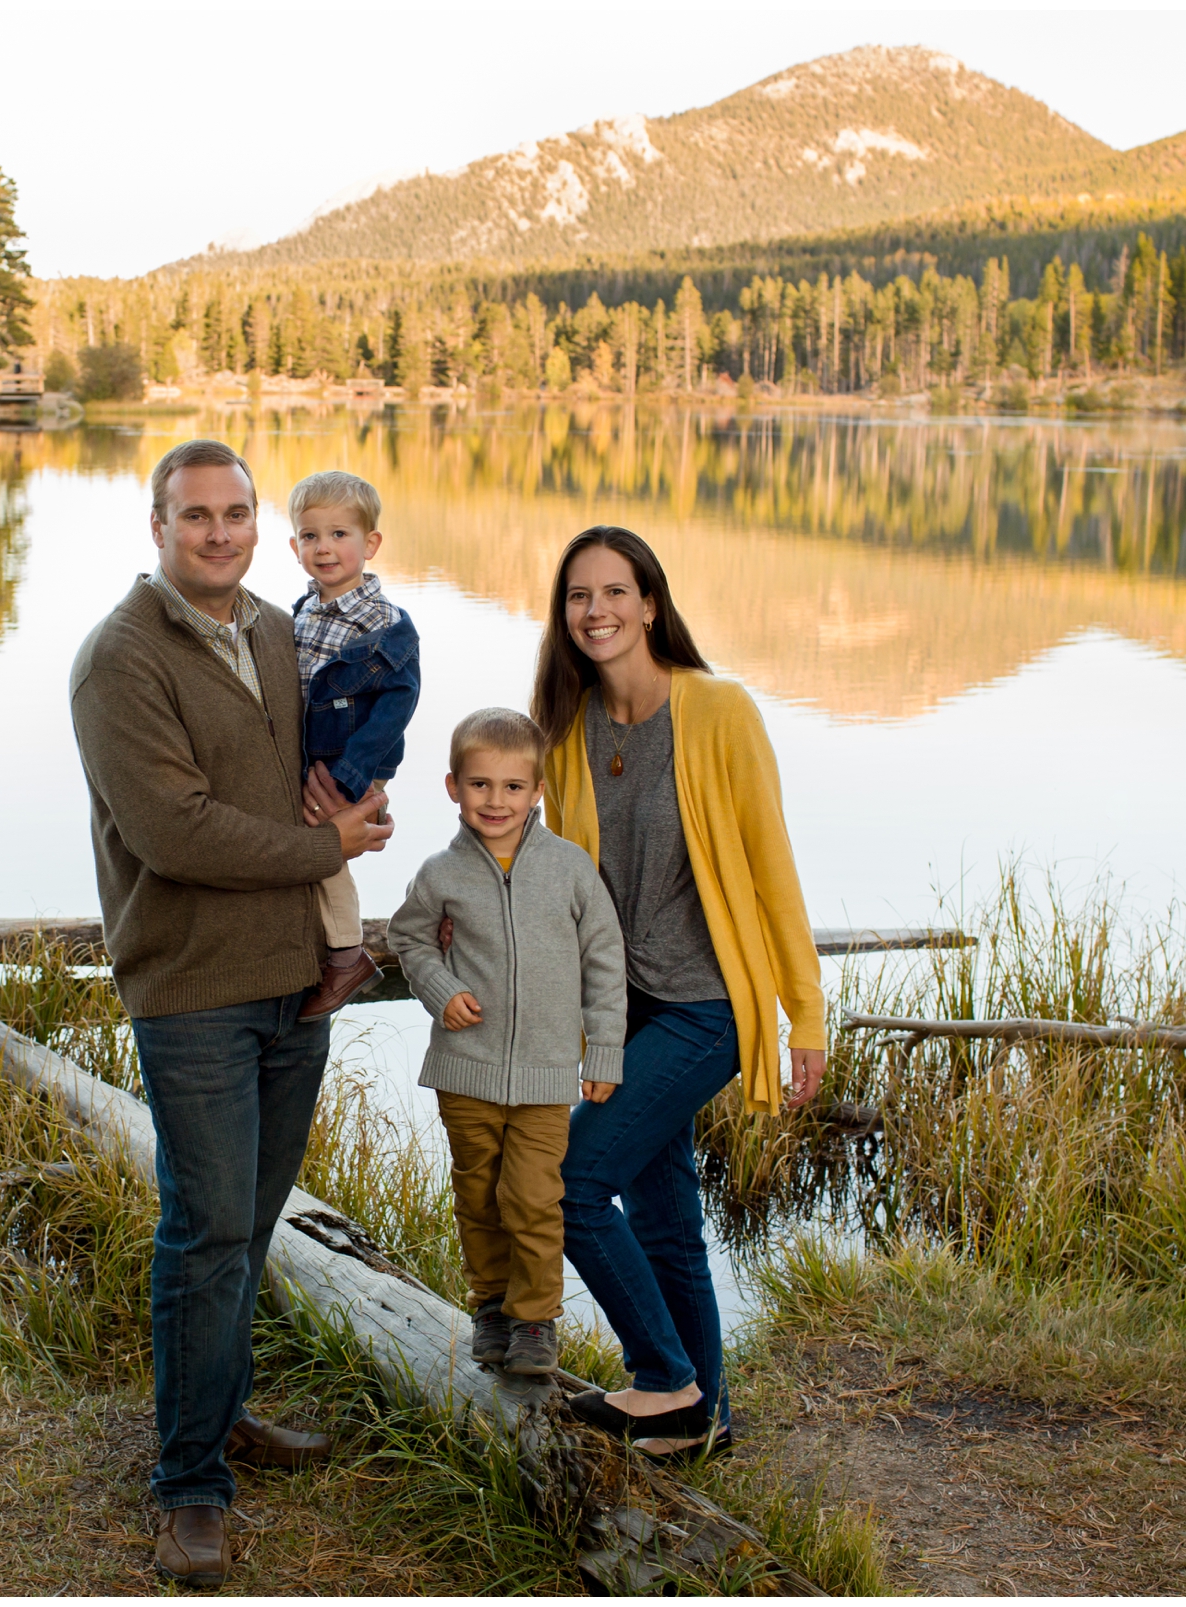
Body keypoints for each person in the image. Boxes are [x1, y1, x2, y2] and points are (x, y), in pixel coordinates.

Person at [68, 438, 394, 1587]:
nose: (220, 531)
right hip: (196, 986)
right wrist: (325, 845)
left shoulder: (273, 626)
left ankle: (221, 1411)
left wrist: (356, 795)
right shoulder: (119, 659)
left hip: (295, 980)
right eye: (196, 514)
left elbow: (304, 763)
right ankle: (189, 1483)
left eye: (238, 512)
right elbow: (177, 832)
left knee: (249, 1226)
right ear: (156, 524)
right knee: (205, 1233)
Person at [534, 525, 828, 1463]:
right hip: (628, 1013)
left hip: (707, 1008)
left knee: (573, 1186)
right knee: (667, 1225)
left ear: (652, 603)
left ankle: (666, 1381)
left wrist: (804, 1013)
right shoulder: (567, 730)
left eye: (615, 592)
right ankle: (711, 1425)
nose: (597, 611)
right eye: (579, 596)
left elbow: (774, 864)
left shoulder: (718, 709)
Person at [385, 708, 626, 1379]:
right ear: (452, 786)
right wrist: (438, 985)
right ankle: (489, 1303)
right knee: (478, 1196)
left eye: (513, 787)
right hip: (467, 1071)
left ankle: (534, 1320)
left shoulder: (571, 870)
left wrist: (604, 1051)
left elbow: (606, 960)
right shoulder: (440, 873)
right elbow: (407, 938)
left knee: (531, 1197)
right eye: (481, 784)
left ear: (538, 790)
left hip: (548, 1075)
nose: (497, 800)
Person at [287, 470, 421, 1019]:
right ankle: (318, 945)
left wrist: (353, 773)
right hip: (313, 759)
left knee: (326, 854)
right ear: (295, 546)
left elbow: (399, 704)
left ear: (370, 544)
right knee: (306, 851)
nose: (325, 548)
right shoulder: (302, 611)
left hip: (353, 763)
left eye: (340, 535)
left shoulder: (383, 623)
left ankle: (346, 956)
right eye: (311, 536)